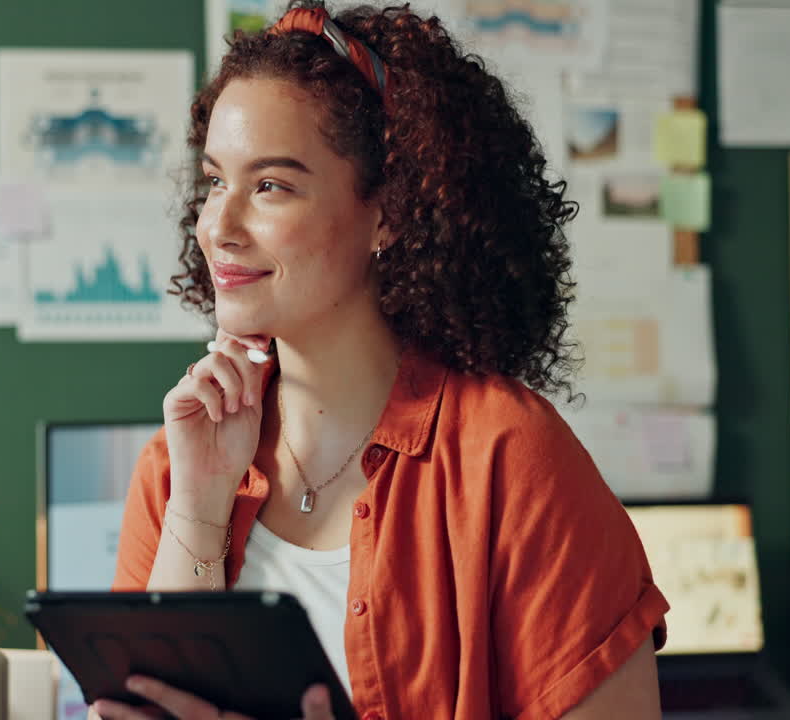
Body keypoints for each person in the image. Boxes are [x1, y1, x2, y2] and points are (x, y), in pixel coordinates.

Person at [92, 3, 669, 719]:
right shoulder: (177, 466)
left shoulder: (510, 460)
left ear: (390, 213)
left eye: (270, 185)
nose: (218, 226)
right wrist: (199, 514)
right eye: (215, 181)